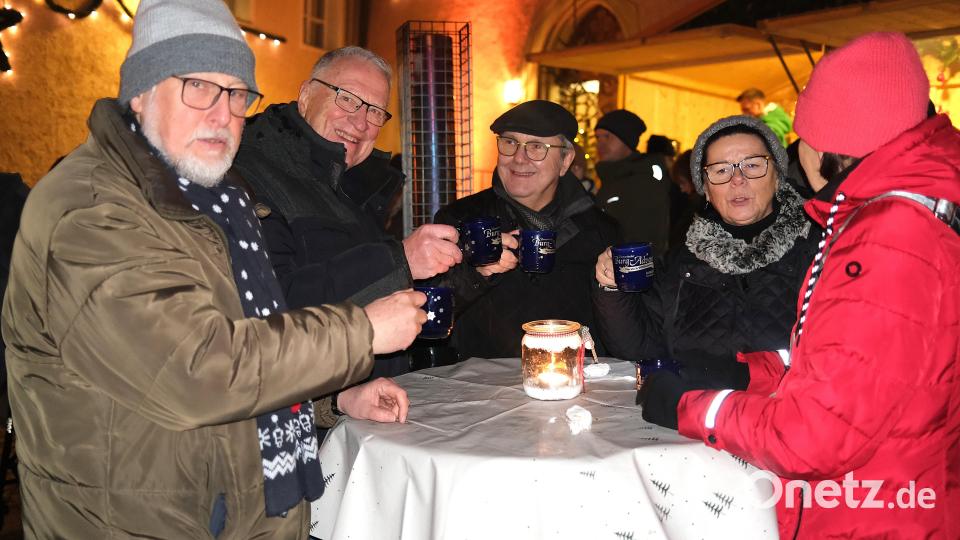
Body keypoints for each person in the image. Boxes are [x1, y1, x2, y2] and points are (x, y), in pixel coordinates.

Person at [0, 1, 427, 537]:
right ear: (141, 90)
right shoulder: (92, 208)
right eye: (198, 86)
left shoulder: (214, 196)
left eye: (236, 94)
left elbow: (244, 334)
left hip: (230, 502)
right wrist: (362, 330)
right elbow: (195, 371)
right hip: (142, 521)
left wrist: (331, 399)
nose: (222, 114)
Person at [651, 33, 960, 537]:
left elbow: (813, 437)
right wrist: (746, 374)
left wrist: (692, 406)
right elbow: (858, 364)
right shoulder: (916, 213)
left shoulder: (888, 237)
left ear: (828, 144)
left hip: (873, 512)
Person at [234, 46, 462, 377]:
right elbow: (273, 307)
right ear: (306, 95)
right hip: (307, 412)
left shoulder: (354, 185)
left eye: (375, 111)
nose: (360, 121)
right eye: (347, 99)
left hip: (367, 401)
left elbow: (391, 299)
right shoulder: (252, 172)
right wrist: (400, 259)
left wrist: (472, 272)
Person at [595, 115, 817, 392]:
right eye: (721, 170)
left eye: (752, 165)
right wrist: (612, 287)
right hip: (699, 422)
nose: (738, 179)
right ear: (707, 190)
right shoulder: (684, 260)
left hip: (790, 419)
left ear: (777, 178)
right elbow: (640, 345)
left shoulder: (820, 252)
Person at [434, 100, 620, 359]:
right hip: (479, 383)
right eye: (510, 143)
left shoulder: (600, 231)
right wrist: (476, 273)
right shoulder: (461, 219)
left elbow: (621, 327)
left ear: (565, 160)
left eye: (536, 147)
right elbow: (427, 312)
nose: (519, 158)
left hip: (571, 381)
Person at [593, 109, 672, 254]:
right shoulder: (611, 177)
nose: (600, 144)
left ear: (627, 140)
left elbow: (641, 238)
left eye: (607, 137)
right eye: (598, 138)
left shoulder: (643, 180)